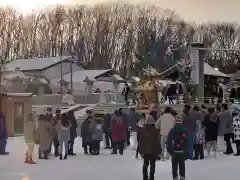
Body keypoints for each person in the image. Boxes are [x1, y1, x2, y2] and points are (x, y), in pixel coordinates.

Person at [138, 114, 161, 180]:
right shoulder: (156, 131)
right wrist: (159, 151)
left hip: (145, 151)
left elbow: (141, 141)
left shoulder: (143, 130)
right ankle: (151, 177)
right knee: (152, 164)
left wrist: (141, 151)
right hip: (153, 151)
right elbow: (157, 142)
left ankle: (145, 177)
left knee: (145, 164)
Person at [167, 116, 187, 180]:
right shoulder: (184, 130)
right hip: (182, 151)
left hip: (174, 151)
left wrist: (169, 150)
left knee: (174, 165)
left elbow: (169, 141)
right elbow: (186, 141)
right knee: (182, 164)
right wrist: (185, 151)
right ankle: (182, 176)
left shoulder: (172, 130)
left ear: (175, 122)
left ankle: (175, 177)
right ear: (181, 122)